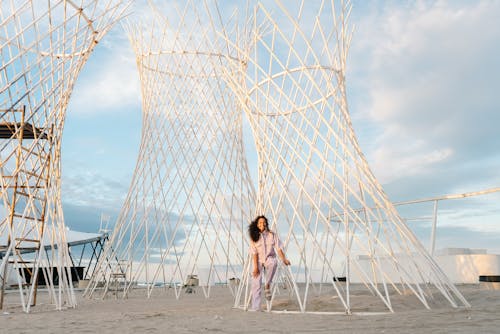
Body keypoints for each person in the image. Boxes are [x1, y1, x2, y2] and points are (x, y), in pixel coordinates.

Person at [248, 215, 290, 311]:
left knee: (273, 263)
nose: (262, 224)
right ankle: (255, 307)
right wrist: (255, 268)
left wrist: (284, 259)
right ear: (257, 225)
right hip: (258, 260)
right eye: (260, 223)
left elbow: (278, 248)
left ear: (266, 223)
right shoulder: (254, 236)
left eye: (263, 222)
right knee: (256, 283)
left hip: (269, 258)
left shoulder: (272, 235)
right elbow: (254, 253)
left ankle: (267, 285)